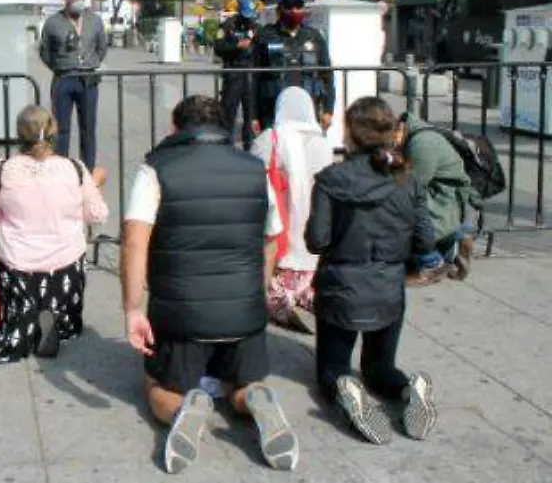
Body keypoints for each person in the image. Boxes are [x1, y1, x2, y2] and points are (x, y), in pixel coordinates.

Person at [121, 95, 299, 474]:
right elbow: (272, 239)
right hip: (243, 313)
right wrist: (257, 290)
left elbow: (135, 239)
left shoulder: (157, 169)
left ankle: (184, 409)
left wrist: (133, 308)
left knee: (157, 388)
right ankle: (256, 399)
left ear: (176, 127)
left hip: (181, 315)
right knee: (239, 383)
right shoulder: (254, 169)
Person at [305, 97, 438, 446]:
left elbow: (317, 241)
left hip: (340, 288)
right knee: (380, 371)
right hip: (389, 288)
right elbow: (426, 240)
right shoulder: (407, 180)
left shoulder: (332, 179)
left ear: (350, 133)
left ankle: (345, 386)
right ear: (391, 133)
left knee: (330, 372)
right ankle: (410, 388)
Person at [0, 105, 109, 364]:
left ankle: (25, 317)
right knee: (68, 261)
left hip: (19, 264)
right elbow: (97, 215)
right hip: (65, 263)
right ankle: (58, 317)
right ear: (53, 133)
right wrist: (96, 183)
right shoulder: (75, 168)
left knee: (13, 269)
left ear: (19, 135)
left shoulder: (3, 170)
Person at [250, 87, 333, 334]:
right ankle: (304, 291)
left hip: (278, 220)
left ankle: (279, 294)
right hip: (312, 225)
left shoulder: (269, 139)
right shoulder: (321, 144)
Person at [394, 112, 475, 286]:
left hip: (446, 201)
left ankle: (430, 262)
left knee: (401, 205)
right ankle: (453, 244)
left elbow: (411, 186)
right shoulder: (416, 138)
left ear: (401, 129)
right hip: (444, 198)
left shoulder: (422, 144)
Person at [39, 0, 108, 170]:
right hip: (63, 79)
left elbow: (102, 47)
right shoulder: (53, 22)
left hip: (88, 79)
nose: (80, 0)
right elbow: (45, 51)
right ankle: (60, 168)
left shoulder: (94, 20)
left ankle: (87, 169)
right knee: (61, 129)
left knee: (88, 128)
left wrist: (92, 63)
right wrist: (60, 66)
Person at [252, 0, 334, 134]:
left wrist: (328, 110)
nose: (294, 11)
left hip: (308, 108)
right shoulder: (264, 36)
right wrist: (252, 116)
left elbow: (327, 74)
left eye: (298, 7)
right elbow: (252, 77)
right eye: (289, 8)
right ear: (279, 11)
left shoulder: (313, 37)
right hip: (272, 109)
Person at [215, 0, 260, 150]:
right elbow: (218, 48)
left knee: (251, 114)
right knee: (228, 112)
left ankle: (250, 147)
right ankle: (226, 147)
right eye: (245, 15)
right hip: (233, 72)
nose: (248, 19)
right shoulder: (227, 26)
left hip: (250, 73)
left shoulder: (256, 27)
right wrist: (236, 45)